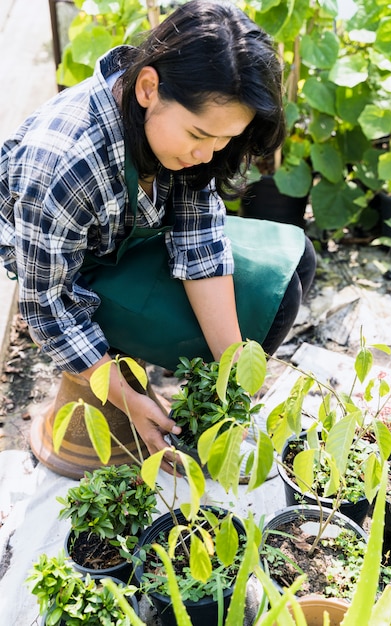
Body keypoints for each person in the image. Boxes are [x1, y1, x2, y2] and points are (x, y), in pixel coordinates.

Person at [0, 0, 315, 474]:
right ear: (149, 86)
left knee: (293, 268)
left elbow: (199, 234)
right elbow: (48, 308)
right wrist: (127, 399)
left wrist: (234, 377)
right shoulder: (65, 163)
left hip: (126, 237)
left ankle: (197, 415)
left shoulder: (178, 131)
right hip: (76, 278)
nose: (208, 153)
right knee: (268, 306)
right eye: (200, 134)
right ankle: (131, 423)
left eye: (224, 141)